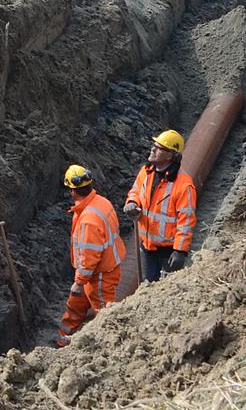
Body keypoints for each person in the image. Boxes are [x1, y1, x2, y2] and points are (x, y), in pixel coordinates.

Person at [55, 164, 123, 347]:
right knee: (75, 304)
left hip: (100, 275)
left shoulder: (88, 220)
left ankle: (107, 347)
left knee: (105, 314)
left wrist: (79, 282)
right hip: (97, 272)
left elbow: (90, 257)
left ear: (72, 190)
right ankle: (63, 340)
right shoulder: (101, 202)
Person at [124, 128, 197, 285]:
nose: (153, 149)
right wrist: (132, 202)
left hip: (168, 252)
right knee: (148, 287)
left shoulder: (184, 185)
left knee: (168, 291)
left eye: (159, 148)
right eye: (154, 145)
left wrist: (180, 251)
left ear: (170, 155)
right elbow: (135, 191)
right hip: (147, 247)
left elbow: (186, 220)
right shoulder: (146, 171)